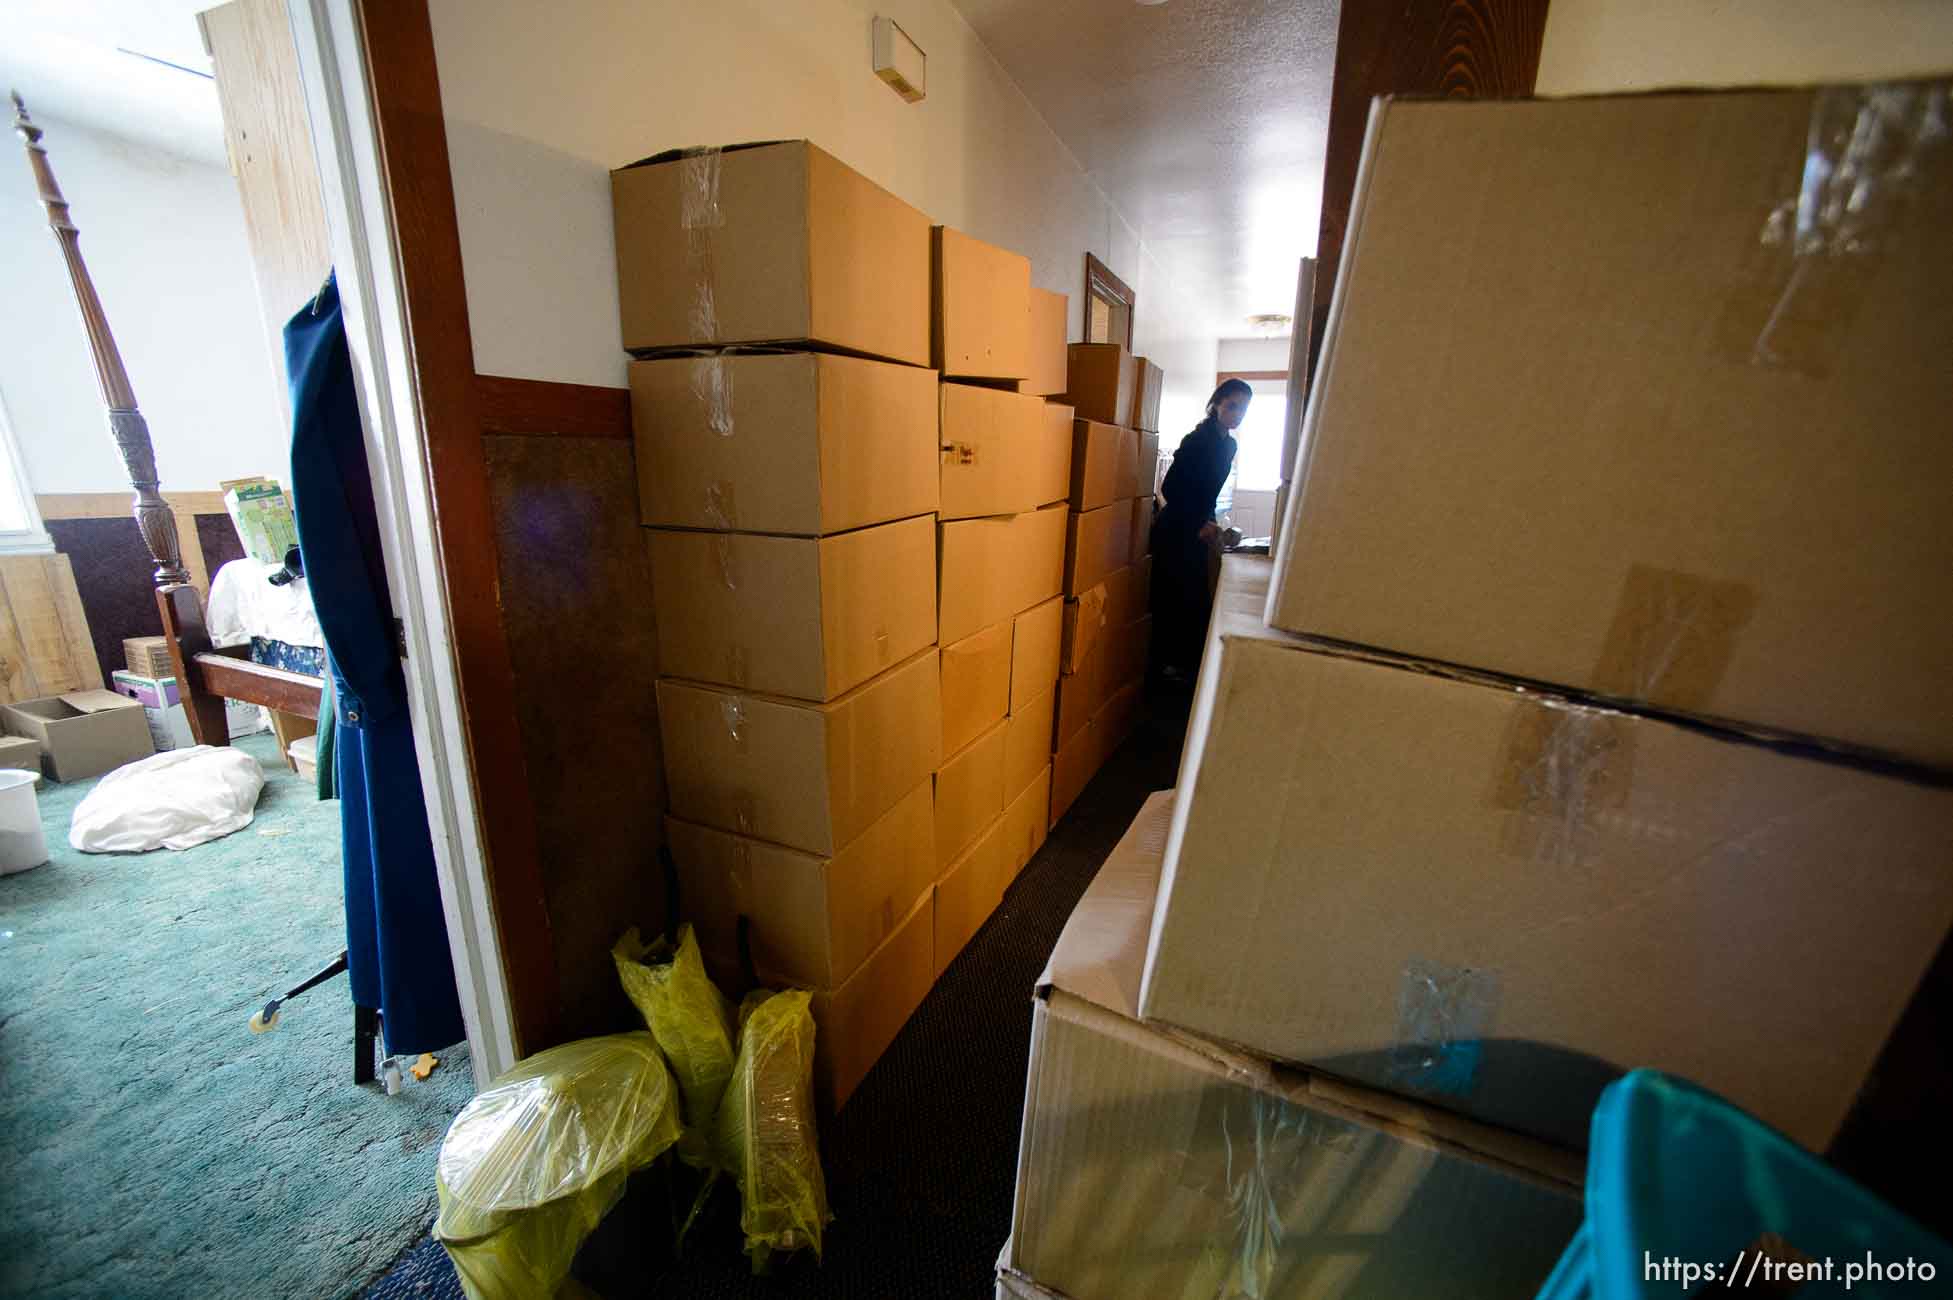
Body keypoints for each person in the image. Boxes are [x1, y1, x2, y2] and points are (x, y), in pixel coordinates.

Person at [1151, 378, 1249, 681]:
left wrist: (1214, 525)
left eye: (1243, 408)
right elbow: (1171, 488)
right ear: (1217, 404)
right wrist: (1197, 524)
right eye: (1232, 405)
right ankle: (1165, 675)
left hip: (1195, 529)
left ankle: (1183, 672)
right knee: (1176, 601)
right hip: (1176, 530)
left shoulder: (1229, 445)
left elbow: (1205, 494)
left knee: (1196, 601)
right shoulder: (1197, 440)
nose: (1237, 413)